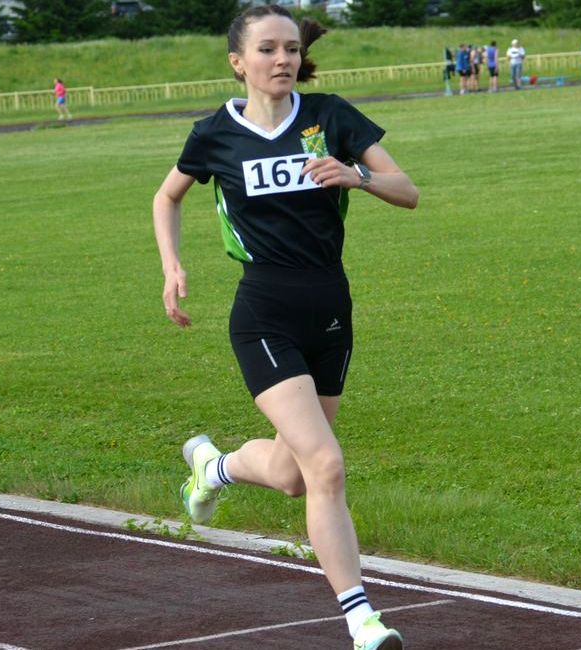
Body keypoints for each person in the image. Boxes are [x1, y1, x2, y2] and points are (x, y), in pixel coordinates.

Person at [152, 6, 419, 650]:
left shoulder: (330, 117)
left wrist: (357, 175)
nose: (283, 59)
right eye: (268, 49)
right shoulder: (215, 133)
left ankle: (214, 467)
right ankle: (362, 619)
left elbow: (407, 189)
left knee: (296, 474)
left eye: (292, 49)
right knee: (325, 463)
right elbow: (167, 197)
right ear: (238, 62)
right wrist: (172, 266)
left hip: (330, 310)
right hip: (263, 314)